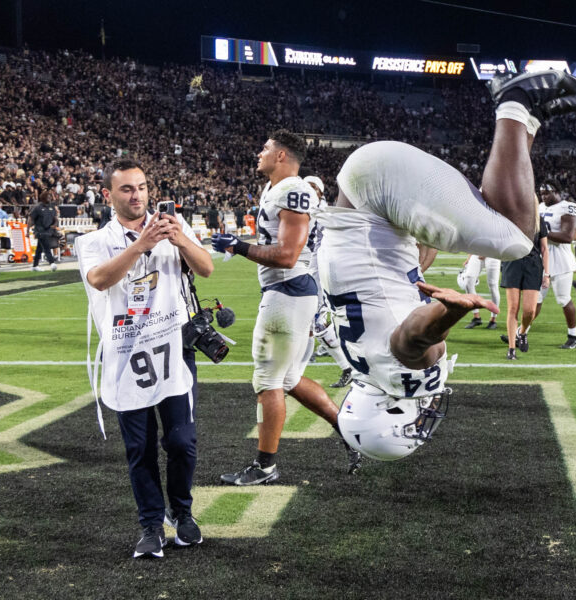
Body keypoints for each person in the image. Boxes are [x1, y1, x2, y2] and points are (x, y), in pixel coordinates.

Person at [315, 69, 576, 460]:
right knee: (488, 215)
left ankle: (517, 102)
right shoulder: (359, 364)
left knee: (515, 238)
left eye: (412, 425)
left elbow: (411, 340)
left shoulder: (399, 376)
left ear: (390, 412)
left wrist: (449, 313)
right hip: (370, 190)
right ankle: (530, 117)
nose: (424, 418)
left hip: (379, 186)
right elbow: (406, 271)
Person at [75, 158, 212, 559]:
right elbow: (99, 280)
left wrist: (179, 239)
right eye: (126, 189)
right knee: (141, 449)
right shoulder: (93, 241)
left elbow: (205, 269)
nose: (137, 196)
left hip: (173, 350)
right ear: (108, 196)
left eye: (142, 187)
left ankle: (182, 513)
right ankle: (151, 524)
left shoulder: (174, 226)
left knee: (182, 442)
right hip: (125, 356)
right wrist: (142, 245)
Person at [210, 130, 361, 485]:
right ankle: (351, 433)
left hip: (288, 291)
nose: (258, 153)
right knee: (290, 378)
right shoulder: (276, 190)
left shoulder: (294, 190)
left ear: (281, 155)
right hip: (292, 293)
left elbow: (288, 255)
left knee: (267, 380)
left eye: (265, 148)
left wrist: (239, 247)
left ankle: (265, 466)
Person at [304, 174, 354, 388]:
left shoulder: (322, 212)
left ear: (321, 191)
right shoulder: (306, 210)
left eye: (314, 187)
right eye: (306, 186)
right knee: (305, 325)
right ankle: (293, 375)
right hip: (308, 275)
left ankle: (348, 368)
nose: (309, 190)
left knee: (319, 324)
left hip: (320, 277)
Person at [534, 182, 576, 348]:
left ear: (557, 192)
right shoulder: (539, 207)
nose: (544, 196)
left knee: (563, 299)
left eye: (547, 193)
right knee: (535, 299)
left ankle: (573, 336)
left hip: (561, 261)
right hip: (542, 259)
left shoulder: (567, 207)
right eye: (541, 193)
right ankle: (521, 333)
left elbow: (568, 236)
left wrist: (541, 233)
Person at [499, 211, 549, 358]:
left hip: (533, 265)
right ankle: (511, 349)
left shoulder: (538, 220)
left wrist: (547, 274)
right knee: (513, 308)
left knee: (530, 311)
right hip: (512, 262)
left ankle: (521, 333)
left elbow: (544, 249)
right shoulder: (509, 217)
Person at [459, 255, 501, 329]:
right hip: (477, 252)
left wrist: (486, 252)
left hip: (493, 253)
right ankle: (476, 317)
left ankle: (493, 319)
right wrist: (469, 257)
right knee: (468, 282)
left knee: (493, 285)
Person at [28, 191, 60, 271]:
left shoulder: (51, 207)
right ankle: (52, 263)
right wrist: (27, 230)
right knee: (46, 247)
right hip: (40, 230)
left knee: (39, 248)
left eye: (50, 196)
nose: (49, 198)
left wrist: (55, 224)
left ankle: (35, 266)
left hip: (48, 230)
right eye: (48, 196)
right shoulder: (37, 207)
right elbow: (30, 218)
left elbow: (55, 218)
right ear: (43, 197)